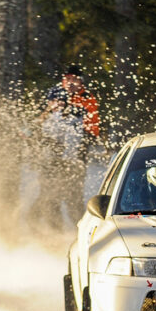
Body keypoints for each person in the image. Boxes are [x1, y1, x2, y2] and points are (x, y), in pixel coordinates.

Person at [36, 66, 101, 227]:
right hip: (52, 156)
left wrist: (83, 141)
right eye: (67, 79)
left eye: (74, 79)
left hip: (75, 157)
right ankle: (52, 231)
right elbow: (40, 121)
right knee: (49, 195)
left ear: (81, 81)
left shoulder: (87, 98)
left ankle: (79, 231)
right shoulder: (54, 94)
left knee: (73, 196)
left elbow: (93, 129)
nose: (70, 82)